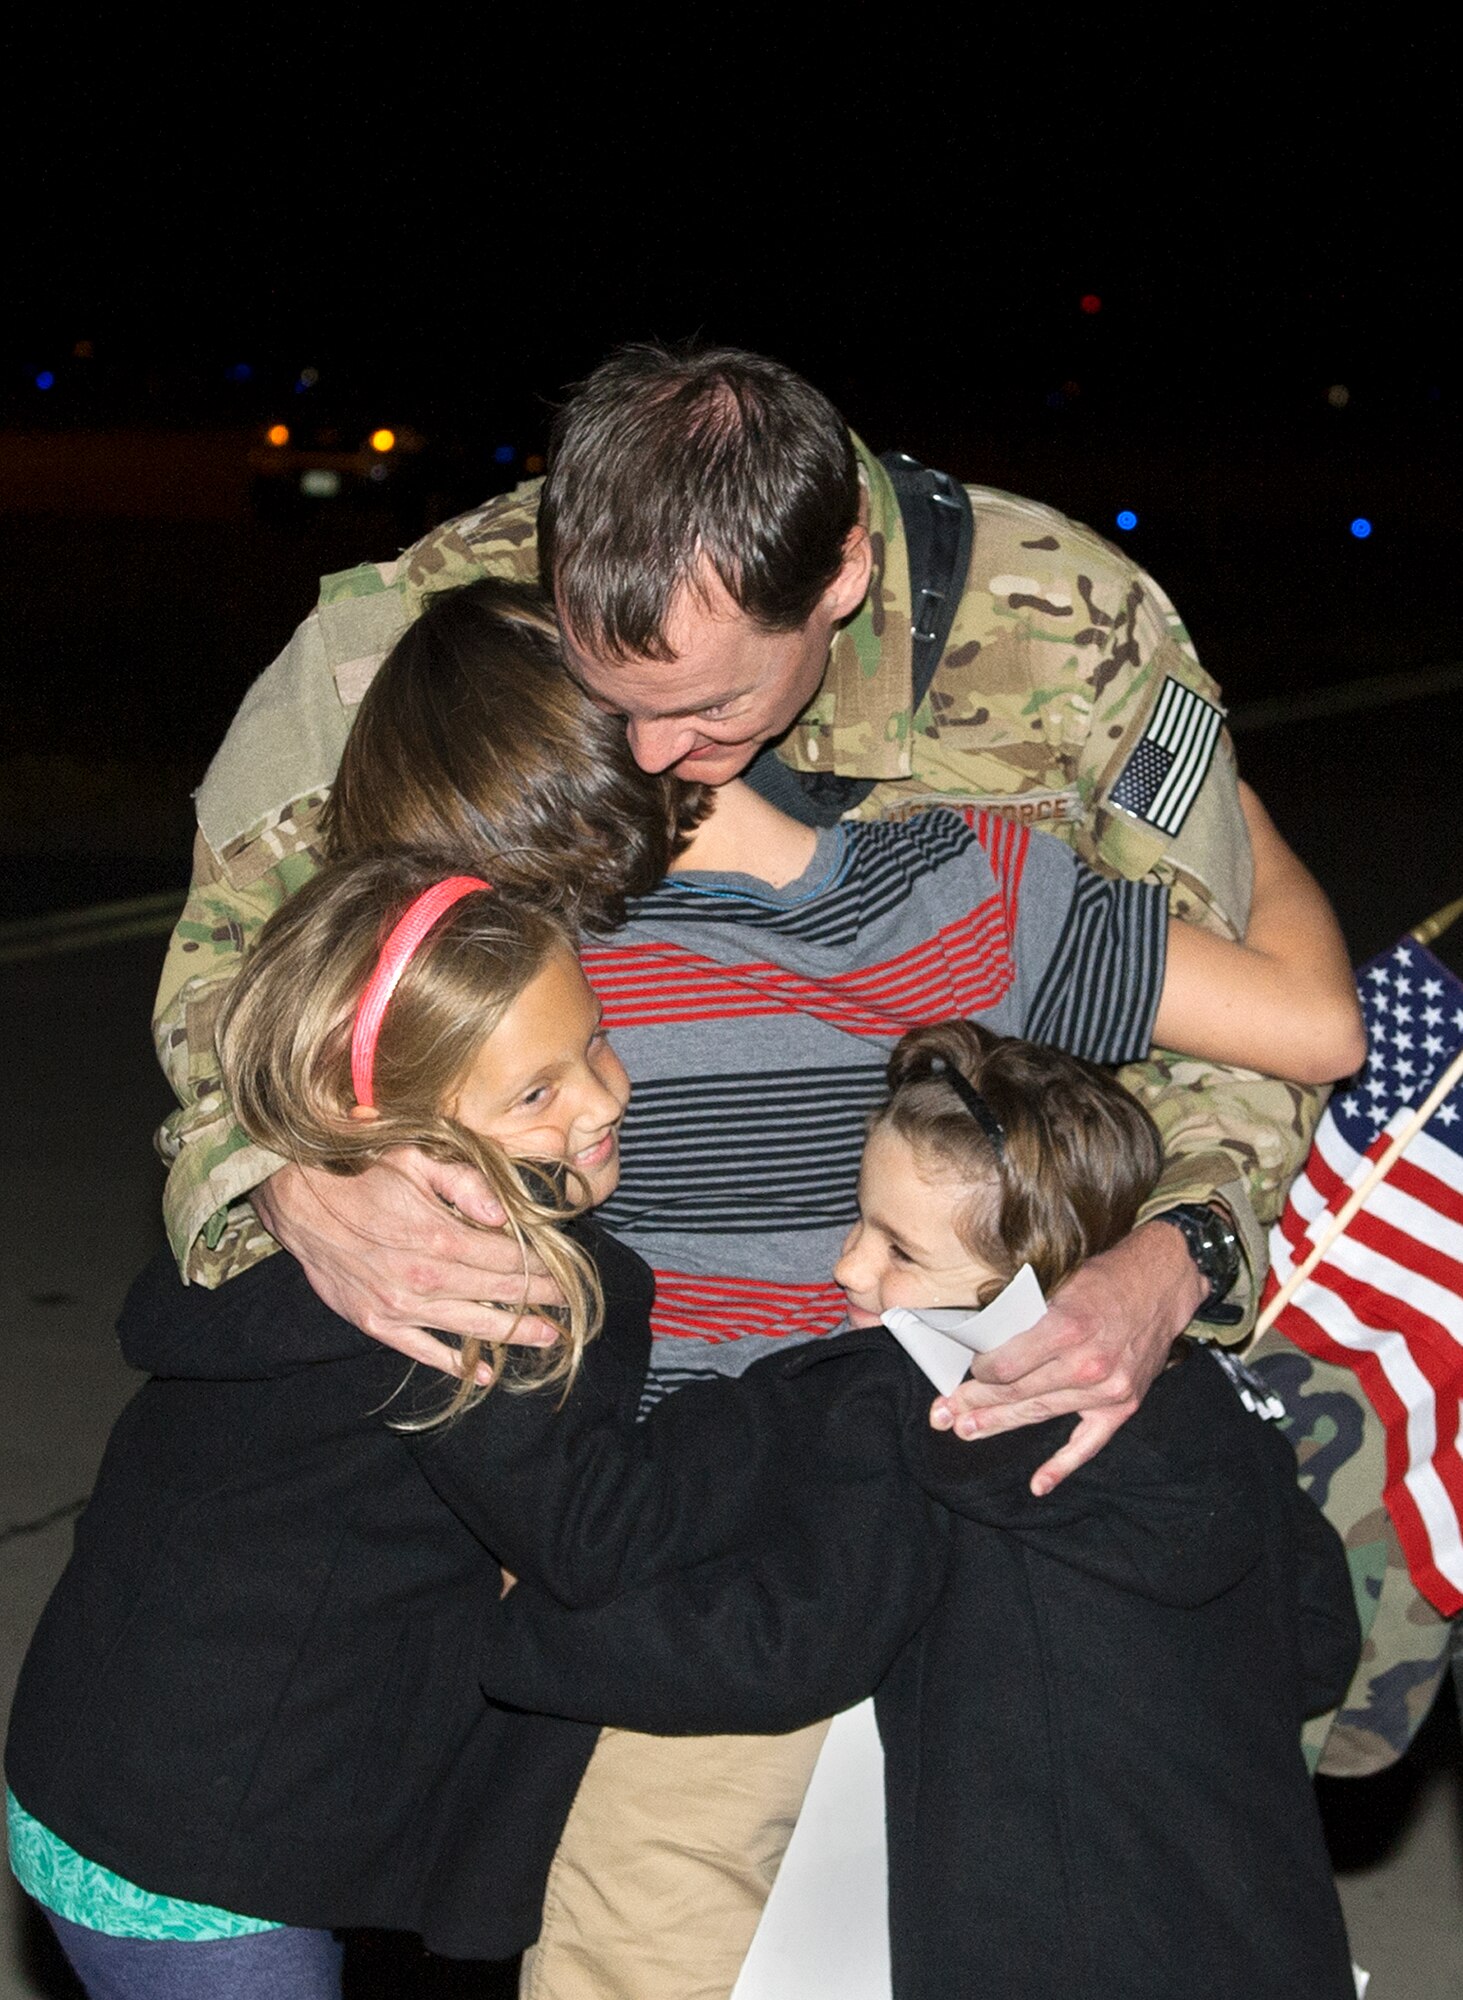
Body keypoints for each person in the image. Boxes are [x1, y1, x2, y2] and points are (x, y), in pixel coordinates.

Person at [152, 347, 1419, 1773]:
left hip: (990, 1382)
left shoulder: (1067, 631)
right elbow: (232, 981)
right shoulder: (416, 629)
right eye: (605, 689)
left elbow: (1242, 1022)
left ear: (837, 578)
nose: (640, 754)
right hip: (617, 1460)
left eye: (703, 712)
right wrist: (288, 1184)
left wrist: (1175, 1256)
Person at [270, 576, 1360, 1998]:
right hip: (961, 1529)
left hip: (687, 1565)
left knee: (632, 1943)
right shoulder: (961, 889)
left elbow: (337, 1095)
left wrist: (298, 1170)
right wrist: (1208, 785)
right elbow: (1314, 1023)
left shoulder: (550, 1000)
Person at [5, 847, 950, 1998]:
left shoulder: (317, 1231)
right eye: (535, 1094)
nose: (602, 1096)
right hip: (198, 1857)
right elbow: (595, 1532)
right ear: (391, 1128)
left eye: (593, 1040)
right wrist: (831, 1390)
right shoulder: (475, 1286)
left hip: (95, 1764)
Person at [479, 1023, 1362, 2000]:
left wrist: (513, 1634)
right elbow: (1318, 1640)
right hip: (1269, 1945)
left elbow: (782, 1646)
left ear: (1029, 1288)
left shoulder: (918, 1400)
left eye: (897, 1246)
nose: (848, 1268)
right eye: (860, 1222)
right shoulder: (1227, 1418)